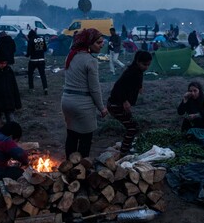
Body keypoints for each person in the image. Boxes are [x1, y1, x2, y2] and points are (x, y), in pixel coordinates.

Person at [61, 28, 108, 158]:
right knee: (85, 139)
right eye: (98, 43)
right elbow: (94, 88)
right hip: (83, 105)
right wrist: (102, 108)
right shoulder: (90, 60)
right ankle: (81, 170)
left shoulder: (71, 55)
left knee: (71, 136)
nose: (102, 45)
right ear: (89, 43)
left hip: (66, 102)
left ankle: (69, 168)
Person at [107, 51, 153, 157]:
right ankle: (123, 152)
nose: (146, 67)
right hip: (115, 105)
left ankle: (125, 149)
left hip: (118, 104)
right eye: (144, 64)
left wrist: (140, 86)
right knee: (132, 128)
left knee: (132, 126)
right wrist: (124, 101)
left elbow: (137, 81)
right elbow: (118, 87)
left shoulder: (137, 71)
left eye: (148, 65)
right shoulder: (131, 73)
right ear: (137, 62)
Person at [26, 29, 48, 95]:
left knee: (30, 74)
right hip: (41, 59)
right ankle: (45, 88)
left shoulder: (30, 40)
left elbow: (28, 53)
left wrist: (26, 55)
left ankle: (31, 88)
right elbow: (45, 49)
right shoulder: (42, 39)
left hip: (33, 60)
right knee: (42, 75)